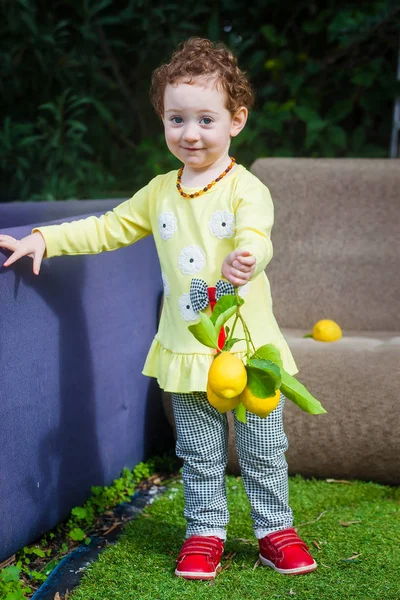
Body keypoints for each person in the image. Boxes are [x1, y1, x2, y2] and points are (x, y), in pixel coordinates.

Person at [0, 37, 317, 580]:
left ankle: (275, 530)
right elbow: (106, 227)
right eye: (176, 119)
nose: (190, 133)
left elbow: (258, 236)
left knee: (265, 447)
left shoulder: (247, 188)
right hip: (185, 350)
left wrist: (248, 256)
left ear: (236, 120)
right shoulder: (158, 192)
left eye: (205, 119)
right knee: (198, 452)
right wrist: (44, 239)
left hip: (247, 353)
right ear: (164, 121)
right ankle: (205, 532)